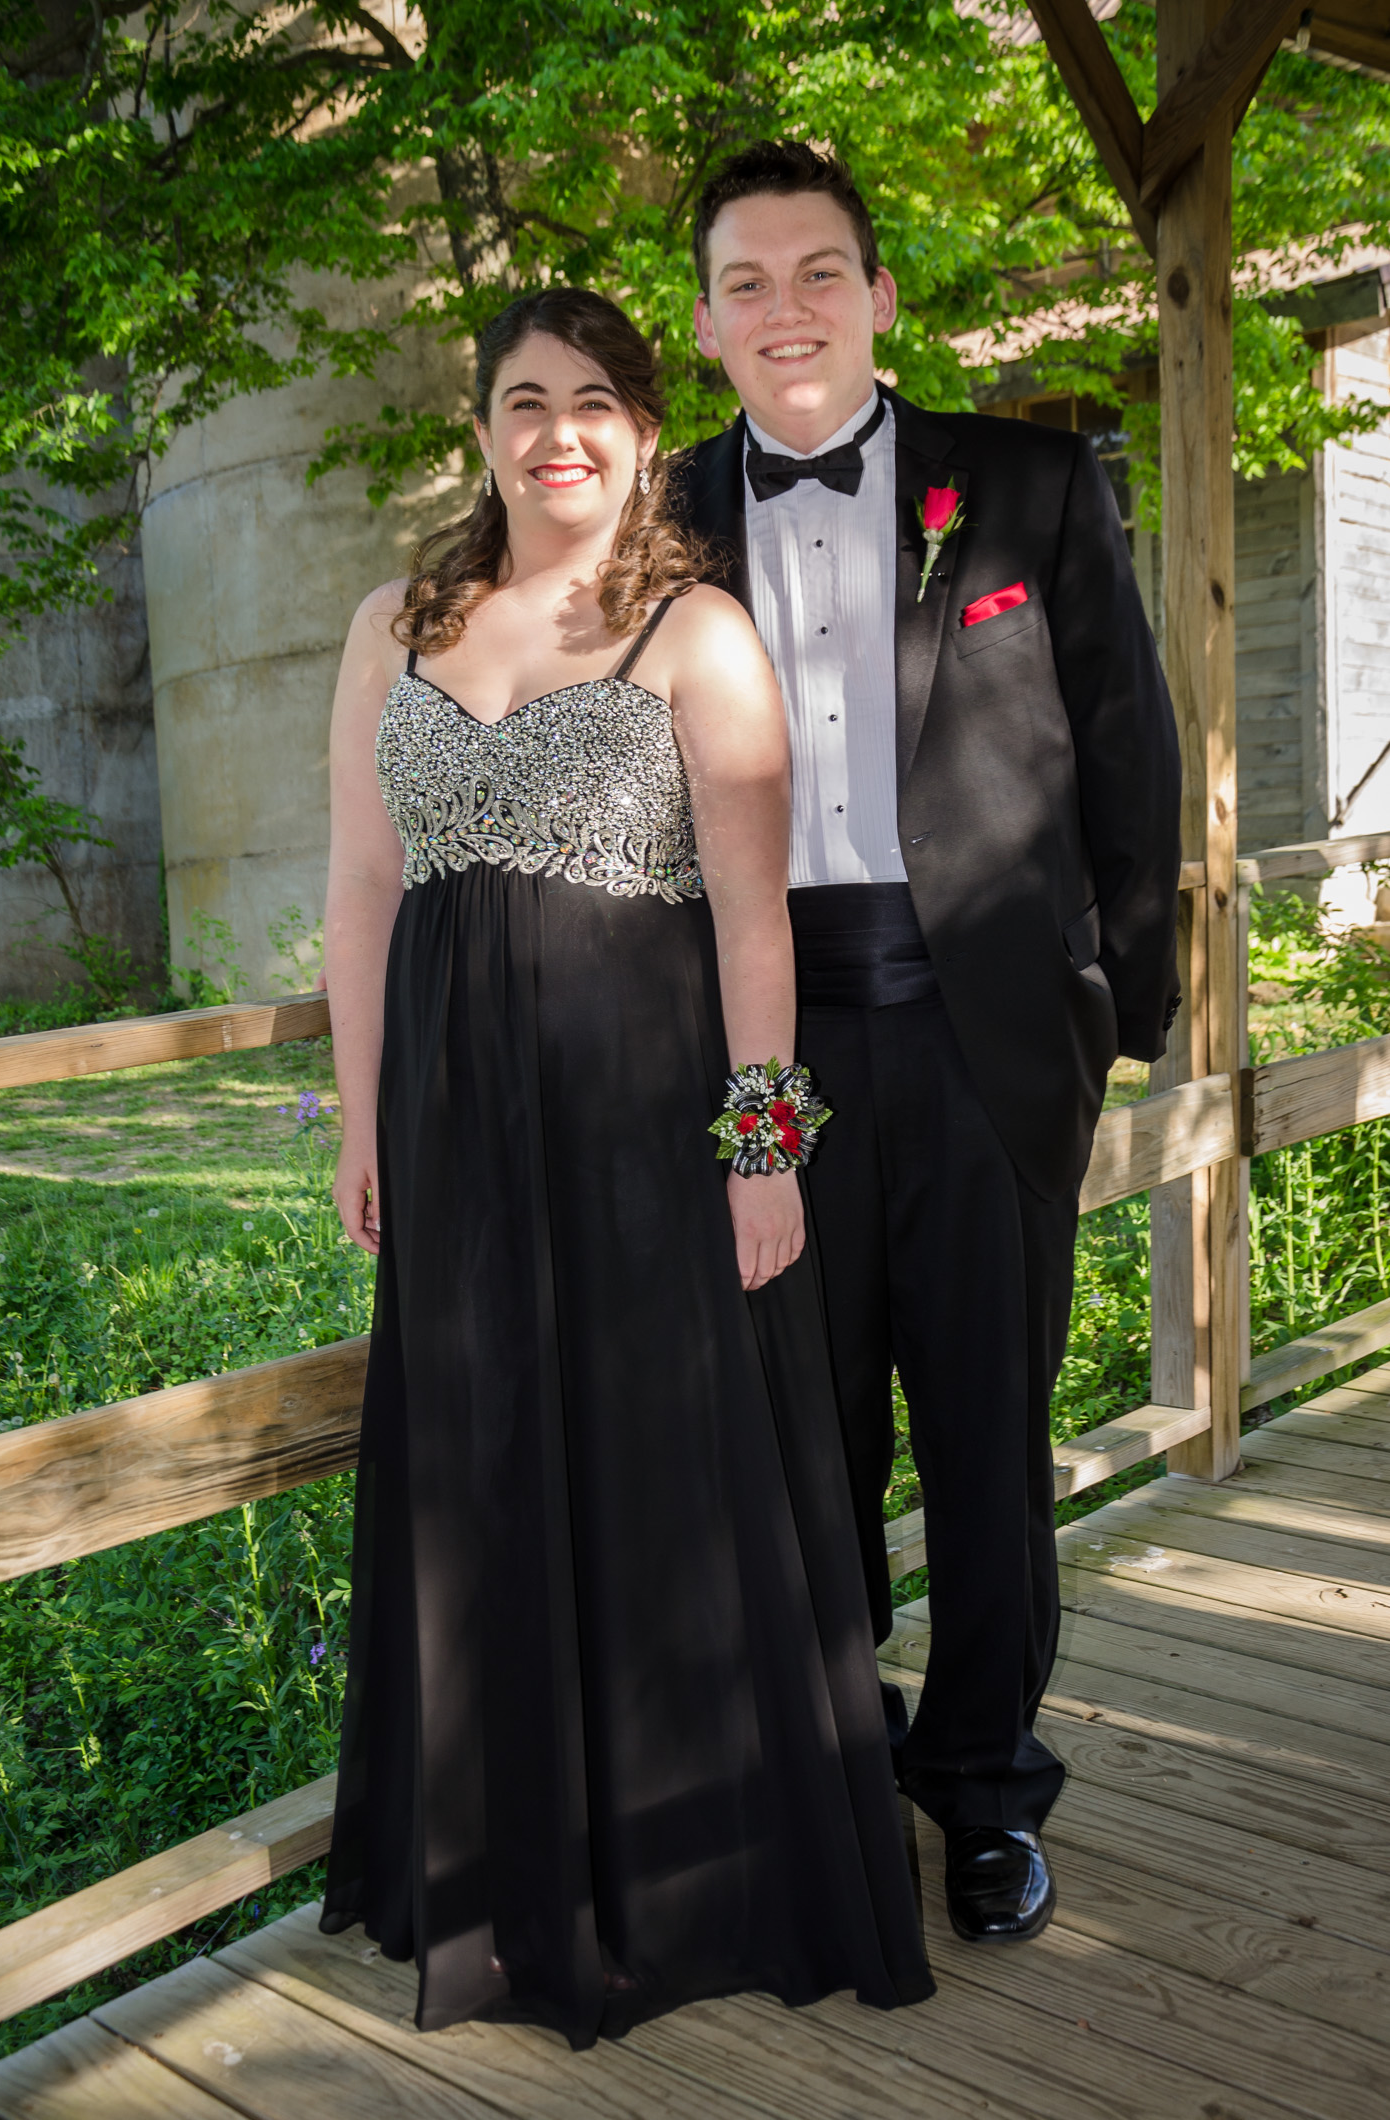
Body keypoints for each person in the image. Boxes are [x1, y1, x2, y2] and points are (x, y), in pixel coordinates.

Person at [317, 286, 933, 2046]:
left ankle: (680, 1878)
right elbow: (361, 889)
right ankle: (496, 1880)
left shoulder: (695, 630)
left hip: (645, 1129)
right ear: (483, 429)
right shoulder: (393, 626)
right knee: (482, 1469)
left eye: (593, 400)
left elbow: (755, 923)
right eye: (524, 400)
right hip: (450, 1127)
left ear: (646, 432)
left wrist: (764, 1152)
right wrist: (362, 1120)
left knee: (660, 1466)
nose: (557, 432)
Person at [676, 142, 1181, 1944]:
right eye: (747, 282)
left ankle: (981, 1792)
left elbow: (1128, 746)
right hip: (760, 1056)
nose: (787, 309)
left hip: (989, 1055)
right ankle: (832, 1771)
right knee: (793, 1440)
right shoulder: (658, 521)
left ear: (880, 295)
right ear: (707, 325)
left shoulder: (1027, 486)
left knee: (984, 1443)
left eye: (820, 271)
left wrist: (1123, 1016)